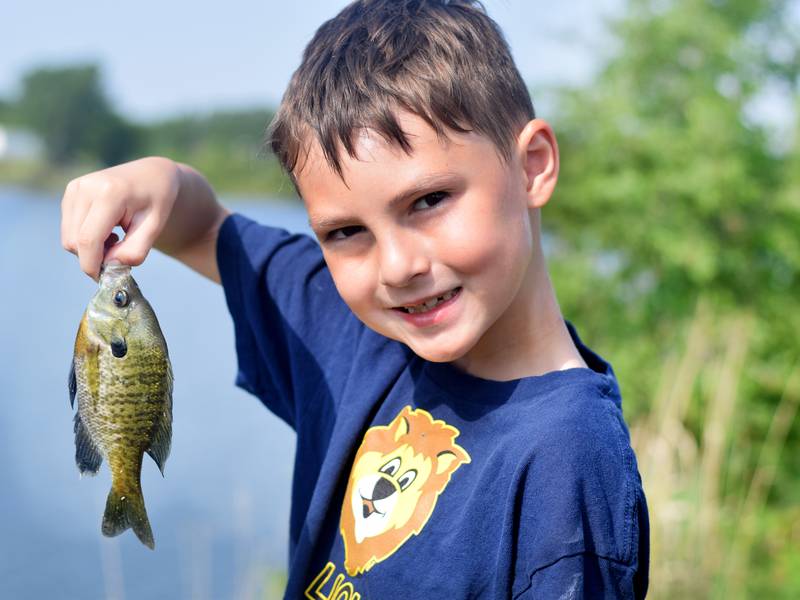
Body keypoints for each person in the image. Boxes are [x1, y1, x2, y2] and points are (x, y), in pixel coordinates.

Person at [60, 1, 650, 597]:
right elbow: (205, 229)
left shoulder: (568, 459)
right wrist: (157, 177)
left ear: (533, 167)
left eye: (428, 201)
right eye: (345, 233)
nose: (397, 268)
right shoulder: (350, 331)